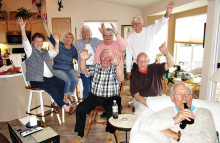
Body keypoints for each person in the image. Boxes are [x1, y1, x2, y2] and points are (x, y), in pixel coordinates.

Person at [17, 17, 75, 114]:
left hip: (49, 77)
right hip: (36, 79)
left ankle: (56, 103)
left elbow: (55, 52)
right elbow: (25, 42)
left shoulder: (45, 52)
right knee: (51, 88)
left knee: (62, 83)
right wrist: (22, 28)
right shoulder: (30, 51)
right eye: (37, 41)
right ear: (33, 42)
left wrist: (56, 42)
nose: (39, 43)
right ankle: (66, 107)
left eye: (41, 41)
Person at [135, 82, 217, 143]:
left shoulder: (204, 113)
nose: (184, 98)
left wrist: (176, 136)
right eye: (179, 94)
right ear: (172, 99)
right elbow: (143, 125)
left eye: (187, 94)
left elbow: (209, 140)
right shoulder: (168, 112)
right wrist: (173, 120)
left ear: (191, 96)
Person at [72, 49, 124, 143]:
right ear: (100, 58)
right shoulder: (95, 66)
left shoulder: (115, 67)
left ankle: (109, 132)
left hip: (111, 98)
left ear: (111, 58)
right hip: (95, 97)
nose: (105, 59)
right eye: (103, 57)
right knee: (80, 108)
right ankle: (80, 135)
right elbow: (84, 71)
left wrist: (117, 65)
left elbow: (121, 78)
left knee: (113, 112)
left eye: (107, 57)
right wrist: (83, 59)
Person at [126, 1, 174, 80]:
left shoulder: (150, 30)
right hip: (136, 66)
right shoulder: (130, 37)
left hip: (151, 65)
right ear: (132, 25)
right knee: (137, 88)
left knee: (151, 88)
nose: (137, 25)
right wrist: (128, 70)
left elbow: (161, 23)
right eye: (134, 23)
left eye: (139, 23)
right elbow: (128, 54)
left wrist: (167, 13)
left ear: (143, 23)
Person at [42, 16, 79, 105]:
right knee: (67, 80)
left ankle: (70, 93)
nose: (68, 39)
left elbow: (79, 59)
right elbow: (49, 36)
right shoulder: (60, 45)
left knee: (75, 79)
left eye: (70, 37)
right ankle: (65, 97)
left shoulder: (74, 49)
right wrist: (44, 23)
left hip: (69, 68)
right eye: (67, 37)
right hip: (57, 68)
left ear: (72, 39)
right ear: (64, 39)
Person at [130, 43, 174, 116]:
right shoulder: (134, 76)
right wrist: (151, 104)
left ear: (148, 61)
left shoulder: (155, 68)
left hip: (159, 98)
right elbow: (137, 96)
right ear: (136, 62)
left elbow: (171, 64)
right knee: (141, 115)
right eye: (140, 61)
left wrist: (166, 53)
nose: (142, 64)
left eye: (145, 61)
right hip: (142, 100)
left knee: (169, 112)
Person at [74, 25, 103, 100]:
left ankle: (94, 104)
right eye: (83, 31)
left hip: (95, 66)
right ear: (81, 34)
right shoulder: (78, 43)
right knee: (87, 86)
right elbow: (73, 50)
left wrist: (103, 32)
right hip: (84, 67)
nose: (85, 33)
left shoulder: (95, 40)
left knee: (95, 86)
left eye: (86, 31)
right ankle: (86, 105)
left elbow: (105, 42)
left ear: (89, 32)